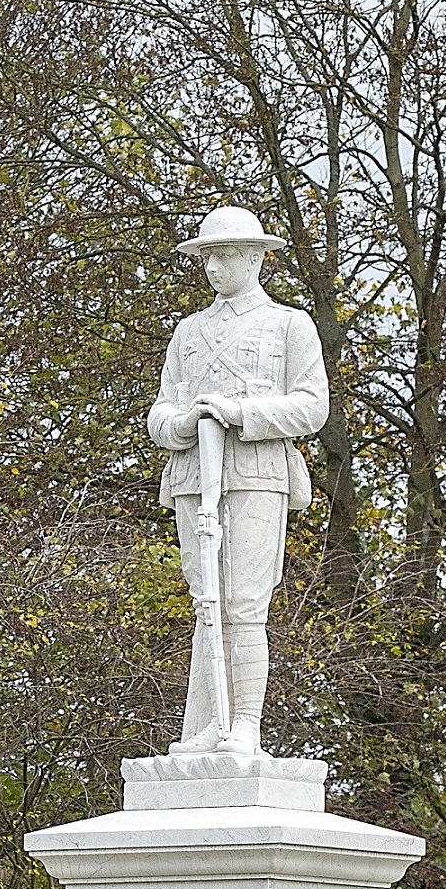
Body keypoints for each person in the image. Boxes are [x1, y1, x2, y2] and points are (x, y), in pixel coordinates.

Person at [147, 205, 330, 757]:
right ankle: (207, 724)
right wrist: (181, 424)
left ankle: (244, 722)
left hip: (256, 474)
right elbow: (161, 411)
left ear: (255, 258)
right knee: (207, 600)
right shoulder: (188, 331)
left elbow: (311, 407)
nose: (214, 267)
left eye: (225, 256)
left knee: (245, 602)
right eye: (208, 257)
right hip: (191, 477)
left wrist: (240, 412)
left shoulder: (288, 324)